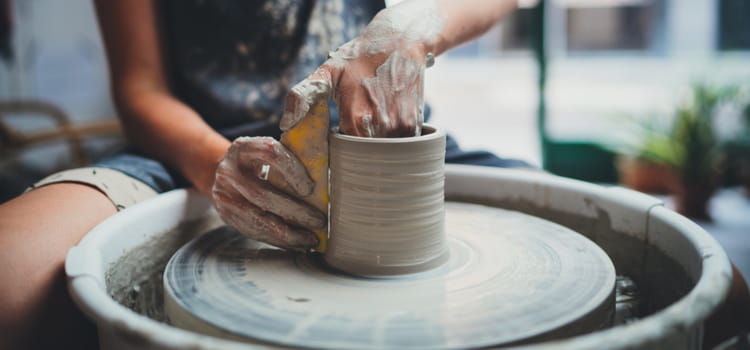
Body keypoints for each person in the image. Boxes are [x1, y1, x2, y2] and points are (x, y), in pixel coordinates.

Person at [0, 0, 525, 348]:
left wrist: (415, 27)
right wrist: (214, 165)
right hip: (199, 151)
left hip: (377, 145)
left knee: (574, 226)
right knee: (12, 266)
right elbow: (140, 88)